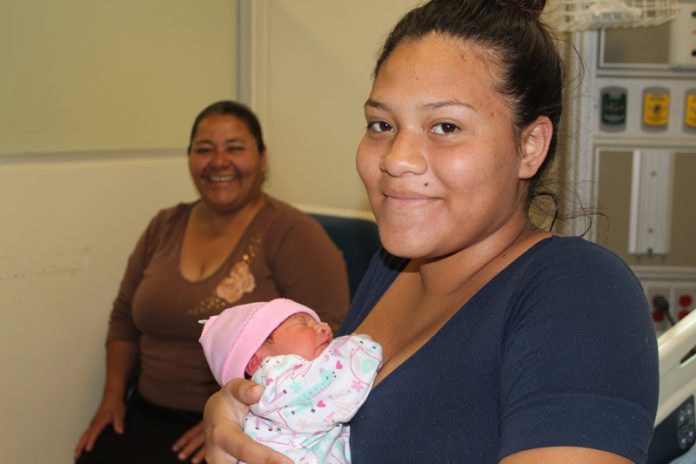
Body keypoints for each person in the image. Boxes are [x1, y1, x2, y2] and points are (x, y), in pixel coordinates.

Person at [202, 1, 660, 463]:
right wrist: (239, 410)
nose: (396, 158)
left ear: (529, 146)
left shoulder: (580, 295)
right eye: (382, 124)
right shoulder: (393, 267)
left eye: (445, 126)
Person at [73, 101, 350, 464]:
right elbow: (124, 319)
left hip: (245, 422)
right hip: (143, 413)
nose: (219, 161)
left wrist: (230, 416)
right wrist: (111, 399)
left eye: (235, 148)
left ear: (262, 157)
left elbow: (331, 337)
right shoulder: (164, 226)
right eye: (205, 149)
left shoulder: (293, 233)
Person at [198, 298, 382, 464]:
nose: (325, 328)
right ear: (256, 361)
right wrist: (358, 347)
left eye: (320, 323)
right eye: (304, 324)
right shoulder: (276, 378)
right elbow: (343, 378)